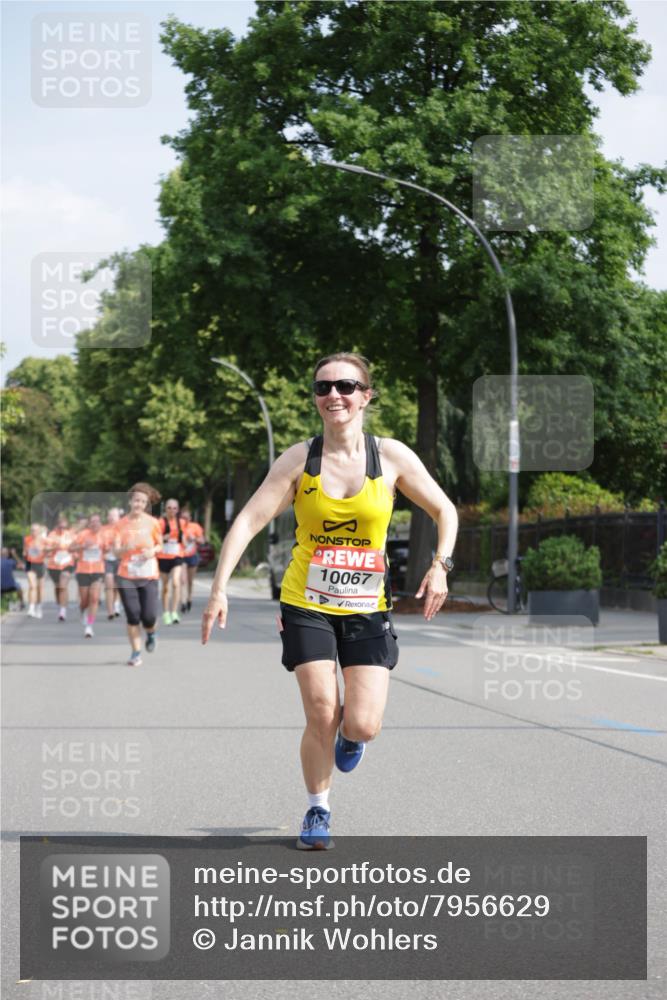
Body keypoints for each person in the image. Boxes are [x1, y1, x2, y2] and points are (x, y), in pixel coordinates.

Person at [202, 352, 458, 850]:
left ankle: (350, 737)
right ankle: (318, 810)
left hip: (366, 606)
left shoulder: (392, 457)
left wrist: (440, 565)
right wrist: (218, 588)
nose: (333, 396)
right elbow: (250, 520)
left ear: (366, 395)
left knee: (362, 723)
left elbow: (445, 509)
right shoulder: (301, 459)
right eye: (323, 388)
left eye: (345, 386)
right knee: (322, 710)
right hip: (306, 600)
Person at [113, 483, 163, 666]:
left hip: (148, 574)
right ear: (130, 501)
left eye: (143, 501)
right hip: (127, 575)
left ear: (146, 504)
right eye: (136, 500)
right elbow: (115, 551)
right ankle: (135, 653)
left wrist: (153, 551)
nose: (139, 504)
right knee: (133, 615)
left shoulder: (152, 522)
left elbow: (160, 545)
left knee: (149, 617)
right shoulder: (120, 524)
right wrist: (124, 549)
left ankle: (151, 633)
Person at [71, 513, 105, 638]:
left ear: (100, 523)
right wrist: (82, 546)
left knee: (94, 598)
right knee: (84, 600)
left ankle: (89, 626)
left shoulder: (104, 535)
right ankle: (82, 610)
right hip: (83, 570)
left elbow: (109, 549)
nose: (95, 523)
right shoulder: (83, 534)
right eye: (93, 521)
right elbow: (70, 548)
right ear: (89, 523)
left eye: (97, 521)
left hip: (98, 570)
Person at [158, 499, 186, 626]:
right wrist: (164, 538)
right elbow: (155, 539)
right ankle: (166, 612)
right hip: (163, 556)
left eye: (174, 508)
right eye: (169, 508)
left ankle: (174, 611)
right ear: (165, 509)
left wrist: (185, 540)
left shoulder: (182, 523)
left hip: (176, 556)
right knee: (165, 586)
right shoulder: (160, 522)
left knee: (175, 582)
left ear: (178, 509)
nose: (172, 510)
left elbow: (183, 540)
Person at [45, 515, 76, 621]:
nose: (62, 528)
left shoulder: (71, 535)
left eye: (64, 526)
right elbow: (46, 549)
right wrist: (54, 547)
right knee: (58, 587)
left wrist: (75, 552)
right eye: (60, 526)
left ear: (67, 525)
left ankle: (63, 611)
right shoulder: (52, 535)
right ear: (57, 526)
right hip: (54, 564)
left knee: (63, 586)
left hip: (67, 563)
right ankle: (60, 604)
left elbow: (76, 547)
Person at [179, 507, 205, 613]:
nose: (185, 520)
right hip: (181, 555)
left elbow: (202, 540)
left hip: (192, 556)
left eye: (187, 517)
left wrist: (194, 538)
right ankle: (183, 601)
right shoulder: (178, 527)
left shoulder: (195, 527)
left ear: (190, 518)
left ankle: (189, 599)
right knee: (183, 580)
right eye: (183, 518)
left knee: (190, 580)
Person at [100, 508, 122, 620]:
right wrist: (106, 547)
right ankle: (110, 611)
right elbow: (98, 545)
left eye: (115, 515)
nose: (112, 517)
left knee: (117, 585)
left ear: (119, 518)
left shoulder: (123, 529)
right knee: (109, 583)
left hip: (120, 560)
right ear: (107, 517)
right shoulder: (103, 530)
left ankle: (116, 604)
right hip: (107, 559)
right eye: (110, 515)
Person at [23, 523, 47, 618]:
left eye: (35, 530)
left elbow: (51, 549)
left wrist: (44, 550)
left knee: (40, 588)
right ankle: (31, 608)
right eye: (32, 530)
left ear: (39, 531)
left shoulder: (44, 540)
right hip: (30, 563)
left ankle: (39, 608)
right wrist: (25, 552)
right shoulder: (27, 539)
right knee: (32, 586)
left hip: (40, 564)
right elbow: (25, 552)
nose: (33, 532)